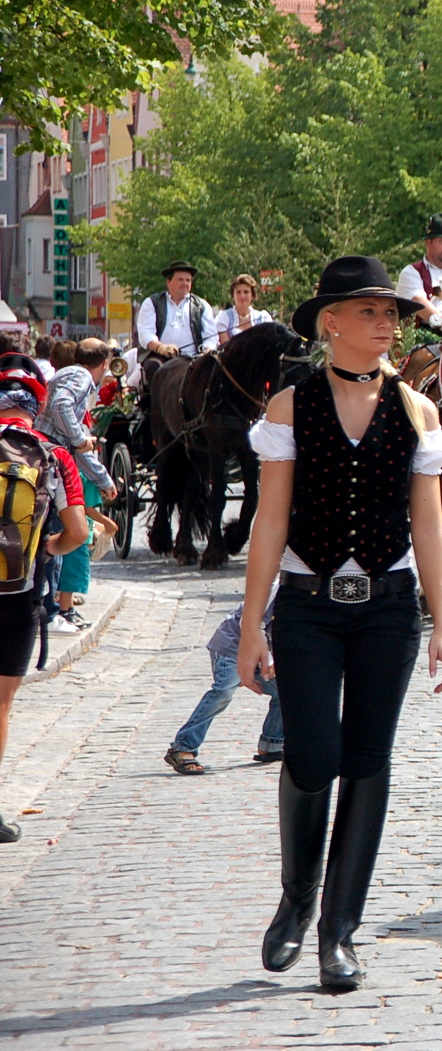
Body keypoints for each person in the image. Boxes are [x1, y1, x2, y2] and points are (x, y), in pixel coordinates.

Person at [238, 255, 442, 991]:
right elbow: (270, 521)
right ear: (330, 322)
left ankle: (341, 930)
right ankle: (297, 897)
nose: (387, 321)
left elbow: (430, 528)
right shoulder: (290, 408)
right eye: (370, 310)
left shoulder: (418, 412)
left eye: (392, 312)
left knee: (368, 759)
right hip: (306, 605)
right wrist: (250, 624)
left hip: (389, 612)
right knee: (312, 753)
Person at [0, 353, 90, 843]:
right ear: (35, 404)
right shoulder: (52, 456)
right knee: (1, 705)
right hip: (18, 591)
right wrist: (49, 546)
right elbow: (76, 532)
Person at [35, 338, 119, 632]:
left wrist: (102, 478)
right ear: (104, 363)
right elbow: (61, 409)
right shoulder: (81, 376)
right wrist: (80, 439)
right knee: (60, 533)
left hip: (53, 455)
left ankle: (50, 607)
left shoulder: (69, 373)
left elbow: (77, 447)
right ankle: (51, 610)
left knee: (54, 534)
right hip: (52, 458)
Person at [165, 588, 284, 774]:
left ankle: (272, 744)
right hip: (233, 646)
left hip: (262, 651)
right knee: (224, 691)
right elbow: (250, 624)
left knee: (286, 692)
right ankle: (182, 747)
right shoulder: (277, 588)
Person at [137, 260, 218, 363]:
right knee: (153, 368)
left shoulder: (202, 306)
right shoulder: (152, 303)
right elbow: (145, 333)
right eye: (180, 279)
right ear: (168, 282)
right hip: (160, 358)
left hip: (194, 359)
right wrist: (161, 347)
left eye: (188, 280)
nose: (185, 283)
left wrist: (206, 349)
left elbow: (211, 336)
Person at [216, 274, 274, 344]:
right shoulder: (224, 318)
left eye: (246, 292)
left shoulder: (263, 318)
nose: (242, 296)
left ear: (252, 295)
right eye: (238, 292)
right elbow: (225, 349)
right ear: (233, 295)